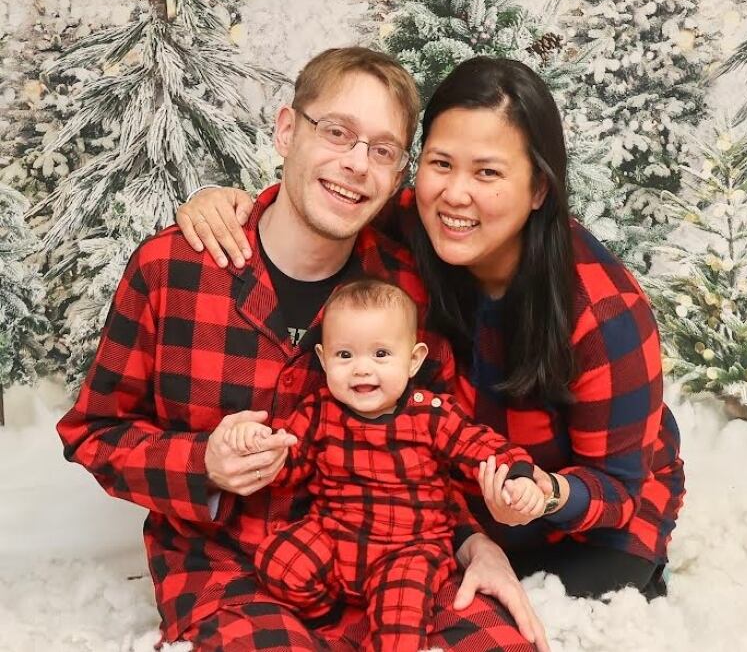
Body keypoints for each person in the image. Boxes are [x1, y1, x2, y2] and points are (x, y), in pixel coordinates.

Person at [57, 47, 548, 652]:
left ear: (398, 175)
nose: (355, 165)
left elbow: (431, 438)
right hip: (230, 567)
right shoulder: (172, 270)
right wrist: (202, 466)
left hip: (393, 557)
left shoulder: (407, 291)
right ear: (287, 130)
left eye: (383, 150)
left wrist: (477, 542)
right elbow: (94, 430)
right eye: (337, 132)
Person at [178, 56, 686, 602]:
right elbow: (328, 198)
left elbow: (617, 488)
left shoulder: (604, 314)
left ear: (539, 187)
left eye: (488, 172)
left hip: (583, 521)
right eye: (441, 164)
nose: (455, 195)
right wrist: (230, 203)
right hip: (454, 507)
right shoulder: (414, 224)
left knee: (517, 612)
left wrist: (547, 492)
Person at [224, 278, 548, 651]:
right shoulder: (318, 411)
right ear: (323, 358)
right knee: (280, 561)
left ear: (413, 360)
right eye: (345, 355)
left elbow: (484, 446)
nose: (362, 370)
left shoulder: (431, 414)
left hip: (410, 548)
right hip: (335, 531)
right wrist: (259, 444)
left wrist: (516, 476)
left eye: (380, 355)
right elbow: (287, 465)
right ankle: (328, 621)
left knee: (401, 620)